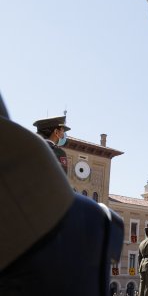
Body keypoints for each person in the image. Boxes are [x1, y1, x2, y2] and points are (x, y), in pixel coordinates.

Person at [0, 94, 124, 295]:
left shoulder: (26, 145)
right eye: (62, 131)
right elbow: (60, 188)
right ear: (57, 132)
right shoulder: (56, 153)